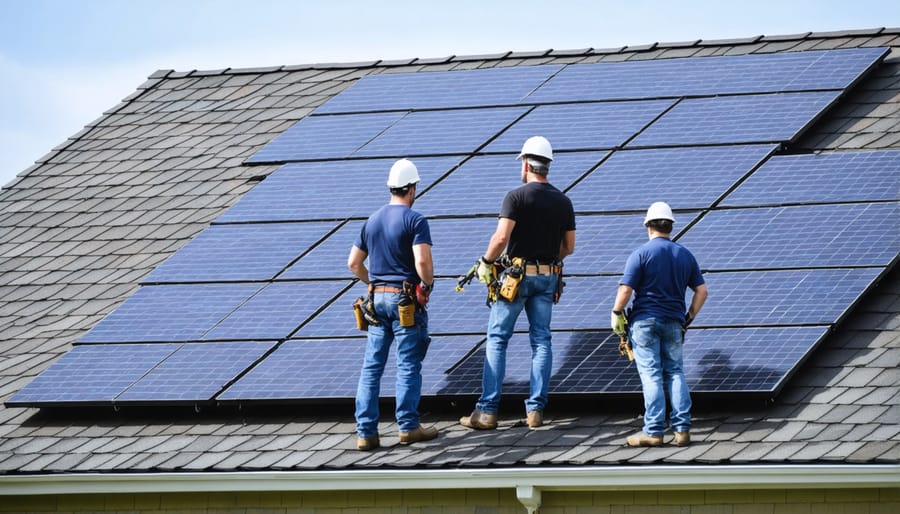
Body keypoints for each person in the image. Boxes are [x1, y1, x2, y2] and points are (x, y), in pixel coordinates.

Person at [459, 136, 576, 431]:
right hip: (547, 277)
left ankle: (487, 412)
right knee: (541, 341)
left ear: (526, 164)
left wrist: (486, 262)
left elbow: (501, 238)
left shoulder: (516, 197)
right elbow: (569, 247)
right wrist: (548, 261)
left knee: (498, 339)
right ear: (547, 166)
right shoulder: (564, 201)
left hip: (516, 276)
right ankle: (535, 411)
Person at [347, 158, 438, 451]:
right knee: (408, 364)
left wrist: (371, 283)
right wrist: (427, 285)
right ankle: (408, 428)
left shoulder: (372, 220)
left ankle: (366, 433)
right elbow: (422, 261)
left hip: (376, 300)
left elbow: (353, 263)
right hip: (404, 300)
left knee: (372, 367)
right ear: (411, 189)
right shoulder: (415, 220)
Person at [612, 201, 708, 447]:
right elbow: (702, 291)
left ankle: (654, 431)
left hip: (645, 322)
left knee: (652, 375)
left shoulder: (641, 254)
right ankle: (682, 430)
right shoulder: (685, 255)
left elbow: (626, 289)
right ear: (670, 226)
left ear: (648, 226)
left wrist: (616, 311)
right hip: (675, 322)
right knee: (675, 372)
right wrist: (688, 318)